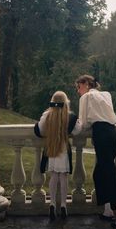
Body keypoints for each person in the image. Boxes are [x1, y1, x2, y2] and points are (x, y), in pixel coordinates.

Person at [75, 74, 116, 229]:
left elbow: (83, 124)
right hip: (113, 134)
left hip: (101, 134)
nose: (78, 91)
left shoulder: (85, 98)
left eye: (78, 87)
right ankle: (107, 210)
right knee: (99, 173)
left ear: (85, 84)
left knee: (109, 173)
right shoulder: (106, 95)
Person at [34, 91, 81, 221]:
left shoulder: (47, 115)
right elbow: (78, 130)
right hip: (63, 149)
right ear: (66, 102)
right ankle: (64, 205)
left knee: (54, 176)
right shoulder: (69, 116)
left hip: (52, 148)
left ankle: (52, 203)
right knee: (63, 177)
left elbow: (41, 130)